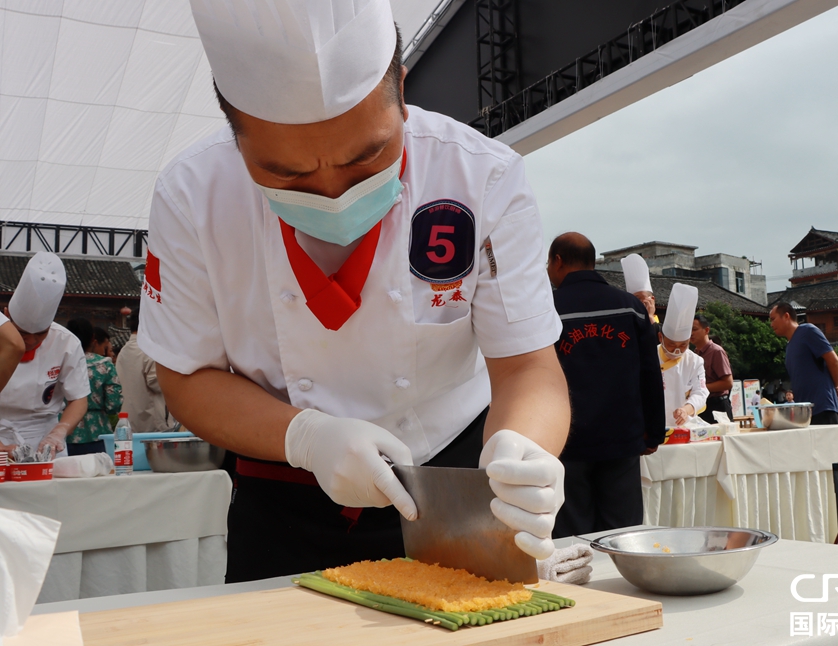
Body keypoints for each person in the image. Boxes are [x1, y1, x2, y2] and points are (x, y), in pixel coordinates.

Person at [139, 0, 570, 583]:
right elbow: (185, 375)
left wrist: (524, 449)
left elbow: (527, 367)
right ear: (234, 127)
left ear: (401, 83)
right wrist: (307, 437)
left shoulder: (479, 177)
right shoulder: (192, 196)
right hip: (282, 496)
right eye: (287, 174)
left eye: (367, 158)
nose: (334, 194)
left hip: (456, 486)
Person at [546, 233, 664, 537]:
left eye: (548, 262)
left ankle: (575, 586)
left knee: (572, 536)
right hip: (622, 437)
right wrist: (654, 431)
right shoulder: (631, 309)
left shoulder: (546, 311)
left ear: (558, 261)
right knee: (621, 534)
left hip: (566, 440)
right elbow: (650, 374)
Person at [0, 253, 90, 458]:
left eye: (41, 334)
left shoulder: (66, 342)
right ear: (6, 315)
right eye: (22, 333)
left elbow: (78, 399)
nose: (31, 341)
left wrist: (58, 433)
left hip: (45, 441)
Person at [769, 302, 838, 425]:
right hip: (805, 411)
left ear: (786, 316)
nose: (771, 324)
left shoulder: (807, 331)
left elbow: (832, 359)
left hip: (822, 407)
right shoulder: (789, 345)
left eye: (773, 319)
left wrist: (835, 385)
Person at [64, 318, 123, 455]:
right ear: (92, 339)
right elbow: (114, 403)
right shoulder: (105, 365)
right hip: (97, 430)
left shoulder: (60, 362)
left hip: (64, 430)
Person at [117, 303, 175, 433]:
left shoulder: (123, 351)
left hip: (128, 420)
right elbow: (158, 384)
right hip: (151, 421)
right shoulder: (149, 351)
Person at [659, 284, 708, 427]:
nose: (676, 351)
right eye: (671, 345)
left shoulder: (695, 361)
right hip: (652, 426)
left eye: (683, 345)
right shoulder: (648, 357)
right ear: (660, 337)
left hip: (683, 426)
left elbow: (701, 392)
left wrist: (686, 410)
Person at [691, 314, 734, 423]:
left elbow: (728, 383)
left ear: (706, 330)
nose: (691, 333)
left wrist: (701, 388)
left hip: (718, 406)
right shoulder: (694, 354)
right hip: (702, 405)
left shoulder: (716, 351)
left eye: (694, 329)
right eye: (688, 330)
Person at [621, 254, 657, 322]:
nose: (638, 303)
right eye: (634, 299)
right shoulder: (626, 322)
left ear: (652, 299)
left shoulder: (662, 329)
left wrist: (650, 316)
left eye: (639, 298)